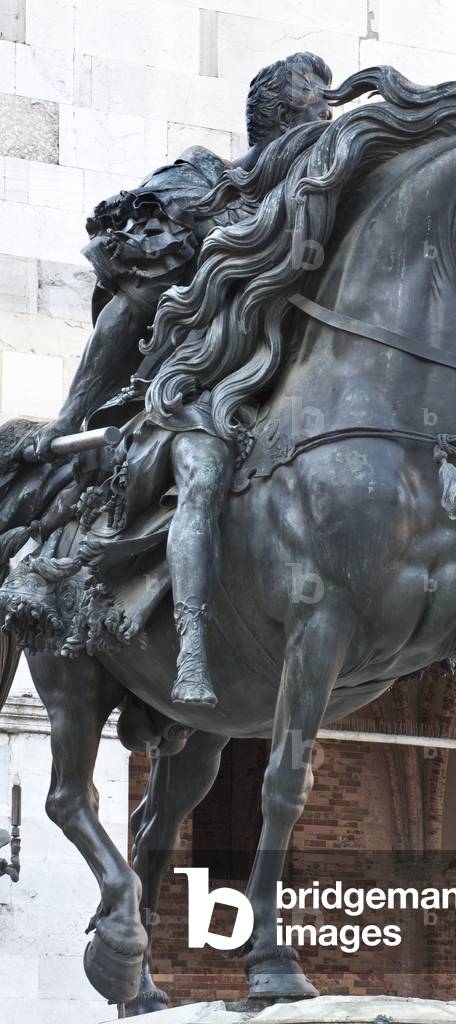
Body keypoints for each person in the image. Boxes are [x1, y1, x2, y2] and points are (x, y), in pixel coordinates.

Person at [32, 52, 334, 707]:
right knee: (200, 471)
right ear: (282, 121)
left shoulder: (331, 204)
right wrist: (67, 418)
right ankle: (192, 649)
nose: (332, 120)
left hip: (300, 391)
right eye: (319, 109)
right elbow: (126, 310)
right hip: (200, 392)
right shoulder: (202, 190)